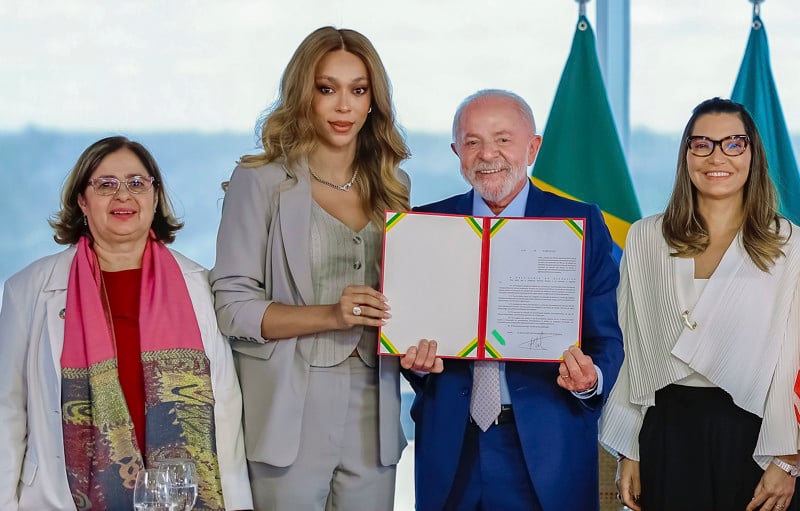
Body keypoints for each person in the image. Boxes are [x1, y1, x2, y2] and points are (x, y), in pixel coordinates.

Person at [209, 26, 410, 510]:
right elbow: (231, 308)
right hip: (287, 411)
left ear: (372, 101)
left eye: (358, 90)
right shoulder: (259, 181)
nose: (344, 106)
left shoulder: (393, 185)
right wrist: (329, 315)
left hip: (375, 405)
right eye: (327, 89)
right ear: (304, 94)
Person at [0, 136, 252, 510]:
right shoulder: (28, 290)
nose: (123, 195)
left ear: (154, 198)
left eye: (137, 183)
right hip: (61, 495)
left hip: (182, 496)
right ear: (82, 201)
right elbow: (7, 413)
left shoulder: (200, 286)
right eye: (105, 184)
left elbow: (226, 410)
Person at [401, 89, 624, 511]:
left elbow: (607, 341)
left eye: (502, 139)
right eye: (472, 142)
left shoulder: (581, 224)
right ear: (456, 152)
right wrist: (418, 367)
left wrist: (589, 379)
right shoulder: (425, 226)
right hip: (452, 447)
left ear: (533, 147)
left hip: (547, 447)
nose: (487, 154)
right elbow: (413, 346)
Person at [599, 97, 800, 511]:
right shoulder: (645, 237)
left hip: (755, 434)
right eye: (702, 144)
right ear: (687, 154)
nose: (716, 156)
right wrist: (629, 448)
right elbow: (632, 348)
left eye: (733, 143)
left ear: (752, 153)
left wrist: (787, 456)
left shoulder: (787, 243)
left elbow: (793, 357)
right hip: (666, 429)